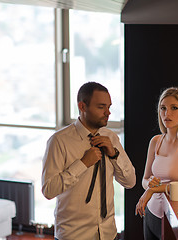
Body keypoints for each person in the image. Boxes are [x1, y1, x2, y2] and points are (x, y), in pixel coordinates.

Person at [42, 82, 136, 240]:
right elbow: (49, 190)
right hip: (74, 235)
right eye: (101, 107)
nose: (108, 113)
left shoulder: (111, 138)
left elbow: (130, 182)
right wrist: (82, 164)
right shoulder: (59, 141)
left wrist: (114, 154)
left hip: (108, 233)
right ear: (82, 106)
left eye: (109, 107)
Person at [135, 87, 178, 240]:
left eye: (174, 108)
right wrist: (149, 185)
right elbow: (144, 180)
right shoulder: (155, 141)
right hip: (150, 213)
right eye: (163, 108)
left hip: (174, 215)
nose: (167, 114)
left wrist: (153, 190)